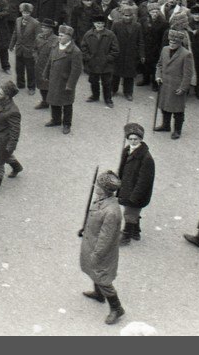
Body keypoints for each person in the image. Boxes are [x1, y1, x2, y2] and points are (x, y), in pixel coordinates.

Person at [80, 170, 125, 326]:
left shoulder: (111, 211)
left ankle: (116, 308)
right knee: (94, 272)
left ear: (104, 189)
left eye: (98, 185)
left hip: (100, 250)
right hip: (92, 243)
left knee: (103, 278)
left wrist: (97, 254)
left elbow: (106, 238)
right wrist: (85, 229)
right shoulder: (101, 199)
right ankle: (98, 294)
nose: (95, 186)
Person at [117, 123, 155, 245]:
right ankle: (135, 231)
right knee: (132, 212)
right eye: (130, 139)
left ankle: (126, 236)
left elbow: (144, 181)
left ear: (140, 139)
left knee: (129, 213)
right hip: (127, 188)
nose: (133, 141)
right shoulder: (127, 150)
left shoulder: (146, 158)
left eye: (136, 139)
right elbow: (122, 168)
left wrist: (135, 196)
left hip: (137, 192)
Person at [156, 30, 194, 140]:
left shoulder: (186, 54)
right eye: (170, 42)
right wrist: (158, 76)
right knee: (164, 107)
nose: (172, 44)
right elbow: (159, 65)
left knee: (178, 110)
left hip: (177, 86)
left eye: (175, 42)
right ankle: (165, 125)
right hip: (165, 84)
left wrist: (183, 88)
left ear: (180, 43)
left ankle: (177, 130)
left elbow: (188, 74)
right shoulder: (164, 49)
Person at [44, 25, 83, 135]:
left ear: (69, 37)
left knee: (67, 103)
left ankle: (67, 123)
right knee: (54, 100)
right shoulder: (56, 45)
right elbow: (50, 61)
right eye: (59, 35)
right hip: (54, 79)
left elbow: (76, 71)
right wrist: (46, 74)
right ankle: (56, 120)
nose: (59, 37)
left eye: (61, 36)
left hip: (65, 82)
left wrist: (70, 85)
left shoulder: (75, 51)